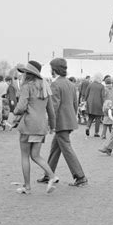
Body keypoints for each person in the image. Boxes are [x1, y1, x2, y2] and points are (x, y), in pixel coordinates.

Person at [37, 58, 88, 187]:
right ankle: (48, 174)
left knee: (66, 148)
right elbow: (75, 104)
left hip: (61, 122)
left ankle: (80, 176)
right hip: (69, 120)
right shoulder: (70, 84)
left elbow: (53, 107)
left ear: (54, 69)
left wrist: (50, 124)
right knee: (55, 148)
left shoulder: (55, 85)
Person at [14, 61, 58, 194]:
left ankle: (27, 187)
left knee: (25, 156)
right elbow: (51, 110)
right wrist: (52, 126)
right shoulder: (45, 86)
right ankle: (52, 176)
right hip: (41, 126)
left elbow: (21, 107)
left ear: (28, 74)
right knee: (36, 155)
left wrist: (15, 112)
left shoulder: (27, 87)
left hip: (28, 125)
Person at [84, 73, 105, 137]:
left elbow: (86, 93)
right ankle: (96, 132)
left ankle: (87, 127)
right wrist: (103, 104)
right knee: (98, 118)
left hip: (90, 103)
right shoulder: (101, 86)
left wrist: (85, 101)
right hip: (99, 103)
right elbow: (102, 96)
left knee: (90, 117)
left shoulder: (90, 85)